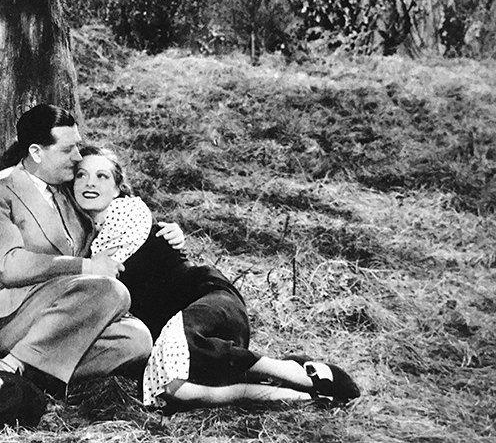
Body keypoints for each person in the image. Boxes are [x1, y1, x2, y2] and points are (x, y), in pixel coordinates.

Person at [73, 145, 361, 411]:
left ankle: (298, 373)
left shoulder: (130, 215)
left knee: (180, 346)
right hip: (179, 338)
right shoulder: (84, 244)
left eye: (102, 176)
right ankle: (301, 398)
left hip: (208, 300)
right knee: (176, 390)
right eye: (81, 175)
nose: (90, 183)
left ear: (118, 189)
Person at [0, 104, 184, 396]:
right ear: (36, 152)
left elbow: (111, 216)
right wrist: (85, 267)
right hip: (11, 314)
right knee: (112, 291)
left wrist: (163, 232)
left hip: (69, 313)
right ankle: (12, 365)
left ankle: (29, 373)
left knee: (137, 340)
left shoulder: (68, 187)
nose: (78, 157)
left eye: (78, 147)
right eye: (68, 150)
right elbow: (10, 265)